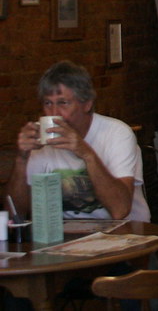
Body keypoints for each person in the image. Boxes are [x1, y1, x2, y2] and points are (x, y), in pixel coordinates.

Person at [7, 60, 150, 221]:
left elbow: (120, 210)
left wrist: (86, 153)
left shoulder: (117, 133)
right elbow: (15, 215)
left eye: (63, 103)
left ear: (87, 104)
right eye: (48, 103)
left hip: (127, 231)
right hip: (66, 233)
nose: (54, 113)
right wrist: (21, 158)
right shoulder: (41, 139)